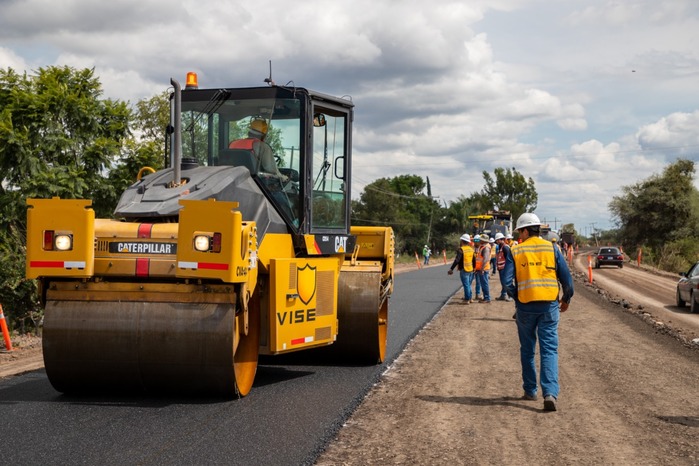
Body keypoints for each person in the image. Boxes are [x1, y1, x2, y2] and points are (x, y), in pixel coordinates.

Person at [503, 212, 574, 412]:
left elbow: (507, 282)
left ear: (525, 230)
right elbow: (566, 279)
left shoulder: (515, 251)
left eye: (520, 231)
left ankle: (530, 390)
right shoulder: (552, 248)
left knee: (527, 349)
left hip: (525, 306)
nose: (520, 235)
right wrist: (566, 298)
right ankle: (550, 393)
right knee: (549, 349)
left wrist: (518, 297)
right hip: (549, 305)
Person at [447, 234, 475, 303]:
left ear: (462, 241)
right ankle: (470, 298)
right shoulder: (471, 249)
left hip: (464, 269)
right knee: (468, 284)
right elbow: (474, 260)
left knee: (466, 285)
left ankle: (467, 299)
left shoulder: (461, 250)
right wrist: (474, 268)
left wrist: (451, 269)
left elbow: (457, 260)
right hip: (471, 269)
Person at [494, 232, 512, 301]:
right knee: (503, 282)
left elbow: (508, 259)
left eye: (497, 240)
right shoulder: (500, 247)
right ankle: (503, 295)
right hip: (501, 268)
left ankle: (510, 295)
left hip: (505, 268)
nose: (497, 241)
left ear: (501, 239)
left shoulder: (505, 247)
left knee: (506, 282)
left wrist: (508, 269)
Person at [475, 233, 491, 303]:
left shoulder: (486, 248)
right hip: (481, 268)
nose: (479, 241)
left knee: (484, 284)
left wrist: (482, 268)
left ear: (484, 240)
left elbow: (486, 259)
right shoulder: (483, 247)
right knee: (483, 283)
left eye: (481, 240)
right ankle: (486, 297)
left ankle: (487, 298)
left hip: (484, 269)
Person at [472, 235, 482, 299]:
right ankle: (467, 295)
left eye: (477, 240)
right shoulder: (472, 248)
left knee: (478, 282)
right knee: (468, 282)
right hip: (471, 268)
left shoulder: (482, 248)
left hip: (478, 268)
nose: (476, 242)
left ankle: (477, 294)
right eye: (475, 241)